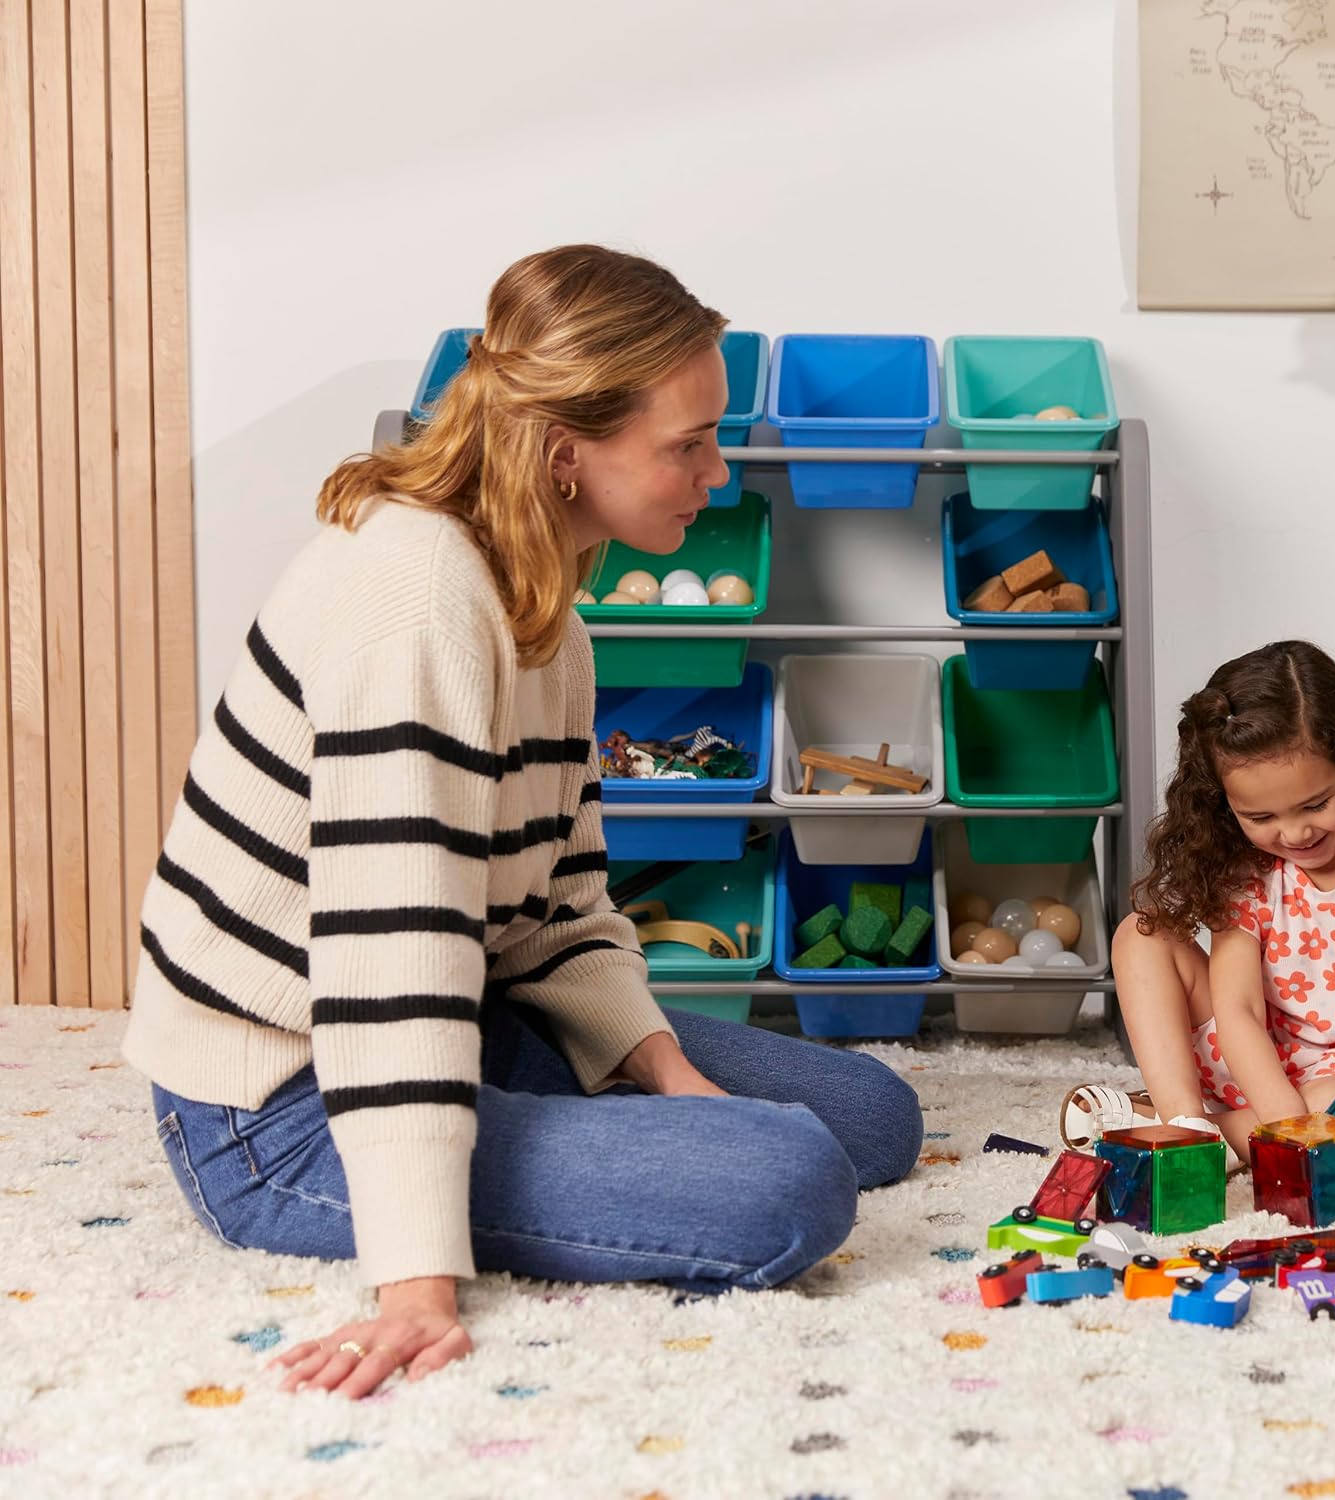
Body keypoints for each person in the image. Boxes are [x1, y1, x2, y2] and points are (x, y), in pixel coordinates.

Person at [123, 245, 923, 1400]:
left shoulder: (549, 609)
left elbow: (562, 906)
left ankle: (575, 1114)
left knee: (872, 1117)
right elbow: (390, 958)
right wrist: (415, 1283)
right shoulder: (418, 598)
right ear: (564, 455)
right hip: (284, 1103)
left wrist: (660, 1070)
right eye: (689, 444)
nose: (719, 472)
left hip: (471, 1008)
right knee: (788, 1180)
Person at [1060, 640, 1335, 1164]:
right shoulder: (1247, 872)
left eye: (1316, 804)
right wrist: (1284, 1118)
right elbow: (1237, 1010)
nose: (1294, 832)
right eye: (1260, 818)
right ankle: (1184, 1118)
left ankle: (1176, 1134)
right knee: (1141, 935)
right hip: (1254, 1062)